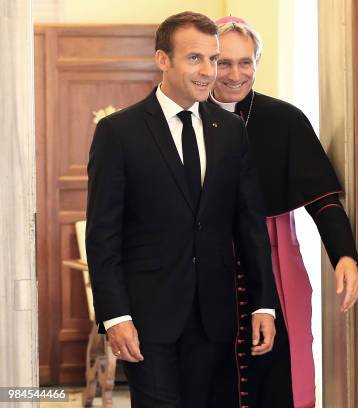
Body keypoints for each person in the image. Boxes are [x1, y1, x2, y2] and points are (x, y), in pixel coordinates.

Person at [85, 11, 277, 407]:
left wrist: (263, 303)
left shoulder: (230, 132)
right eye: (195, 58)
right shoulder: (119, 132)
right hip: (146, 318)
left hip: (214, 315)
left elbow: (249, 225)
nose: (209, 71)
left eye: (213, 58)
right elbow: (103, 235)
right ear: (163, 60)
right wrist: (115, 316)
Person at [211, 16, 358, 408]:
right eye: (224, 62)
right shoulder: (184, 118)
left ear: (257, 64)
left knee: (278, 367)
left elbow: (322, 198)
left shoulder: (284, 119)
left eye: (246, 62)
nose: (235, 74)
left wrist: (343, 255)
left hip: (271, 254)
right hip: (205, 260)